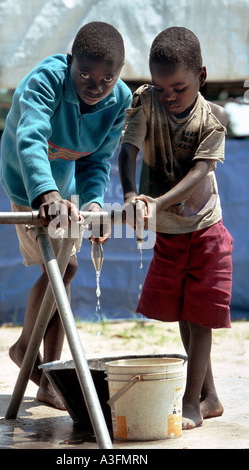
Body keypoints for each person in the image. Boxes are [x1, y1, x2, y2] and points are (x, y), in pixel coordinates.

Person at [0, 21, 132, 408]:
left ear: (120, 75)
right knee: (64, 269)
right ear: (71, 61)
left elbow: (97, 161)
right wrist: (46, 193)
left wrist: (93, 204)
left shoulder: (120, 101)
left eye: (108, 78)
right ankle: (33, 356)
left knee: (64, 269)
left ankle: (43, 369)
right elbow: (31, 138)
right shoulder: (46, 79)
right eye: (85, 74)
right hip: (29, 184)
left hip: (66, 193)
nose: (96, 86)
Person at [119, 26, 233, 429]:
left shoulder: (213, 120)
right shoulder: (146, 103)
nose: (168, 96)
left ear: (201, 77)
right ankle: (211, 397)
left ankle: (190, 402)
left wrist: (156, 202)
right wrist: (132, 194)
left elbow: (201, 172)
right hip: (168, 231)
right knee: (184, 312)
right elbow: (129, 148)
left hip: (204, 230)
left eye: (179, 88)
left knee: (200, 317)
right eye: (160, 86)